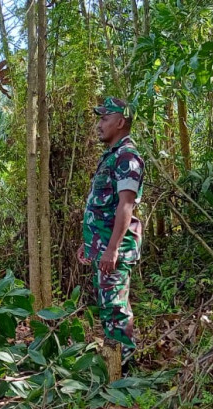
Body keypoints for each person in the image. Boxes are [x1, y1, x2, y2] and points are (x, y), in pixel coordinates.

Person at [78, 97, 144, 374]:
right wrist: (90, 244)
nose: (99, 125)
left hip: (114, 248)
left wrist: (112, 249)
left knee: (115, 310)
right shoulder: (113, 156)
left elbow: (125, 205)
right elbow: (101, 206)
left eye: (105, 119)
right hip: (103, 245)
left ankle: (124, 375)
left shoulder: (127, 158)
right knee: (108, 308)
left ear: (120, 122)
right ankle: (116, 368)